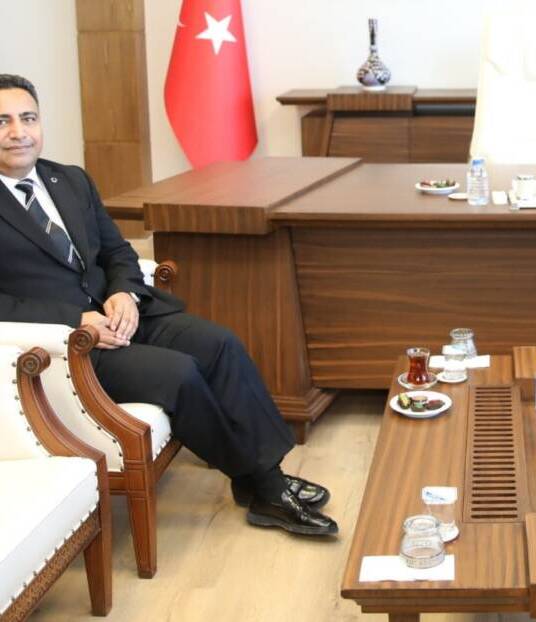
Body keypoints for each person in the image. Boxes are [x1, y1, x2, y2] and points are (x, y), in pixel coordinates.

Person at [0, 74, 337, 536]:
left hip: (123, 315)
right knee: (179, 373)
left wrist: (124, 293)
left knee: (221, 344)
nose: (18, 132)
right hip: (71, 345)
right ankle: (265, 485)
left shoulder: (70, 180)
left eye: (28, 118)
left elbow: (117, 252)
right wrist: (75, 320)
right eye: (3, 121)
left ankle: (263, 479)